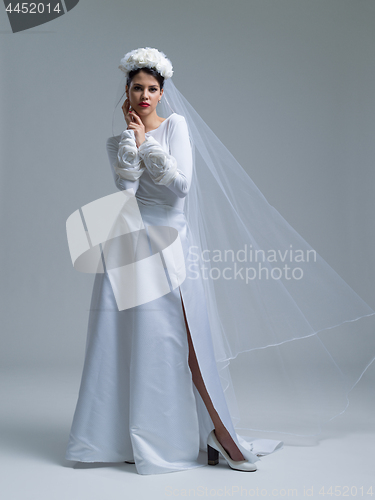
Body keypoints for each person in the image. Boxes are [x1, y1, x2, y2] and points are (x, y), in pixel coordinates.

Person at [65, 48, 375, 475]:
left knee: (188, 342)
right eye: (137, 87)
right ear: (127, 91)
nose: (144, 95)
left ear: (162, 93)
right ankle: (131, 436)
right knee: (136, 346)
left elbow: (180, 187)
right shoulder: (118, 141)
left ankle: (221, 435)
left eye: (152, 89)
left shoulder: (176, 127)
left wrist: (147, 142)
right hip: (129, 246)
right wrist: (132, 141)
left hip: (171, 245)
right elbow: (126, 186)